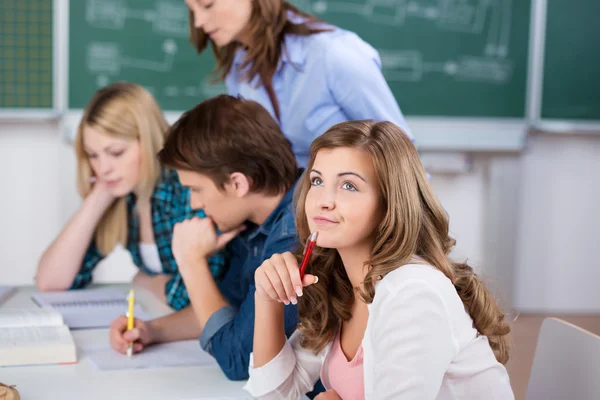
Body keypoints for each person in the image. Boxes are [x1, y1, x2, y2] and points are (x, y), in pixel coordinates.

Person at [245, 120, 514, 399]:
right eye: (317, 180)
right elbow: (275, 394)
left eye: (348, 185)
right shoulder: (342, 284)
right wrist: (267, 299)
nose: (323, 200)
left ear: (389, 204)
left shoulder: (413, 293)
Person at [108, 95, 301, 381]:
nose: (194, 204)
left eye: (196, 189)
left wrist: (191, 261)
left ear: (237, 183)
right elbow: (228, 311)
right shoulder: (252, 223)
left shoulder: (295, 236)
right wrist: (152, 331)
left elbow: (240, 359)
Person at [35, 82, 225, 310]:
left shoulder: (187, 188)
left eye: (116, 153)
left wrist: (144, 281)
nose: (103, 168)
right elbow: (51, 282)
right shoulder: (122, 196)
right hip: (162, 326)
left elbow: (193, 297)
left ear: (147, 140)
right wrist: (98, 197)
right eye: (93, 155)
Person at [184, 0, 413, 167]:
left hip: (352, 216)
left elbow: (401, 153)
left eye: (207, 5)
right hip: (293, 215)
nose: (199, 22)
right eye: (191, 10)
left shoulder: (334, 53)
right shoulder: (238, 70)